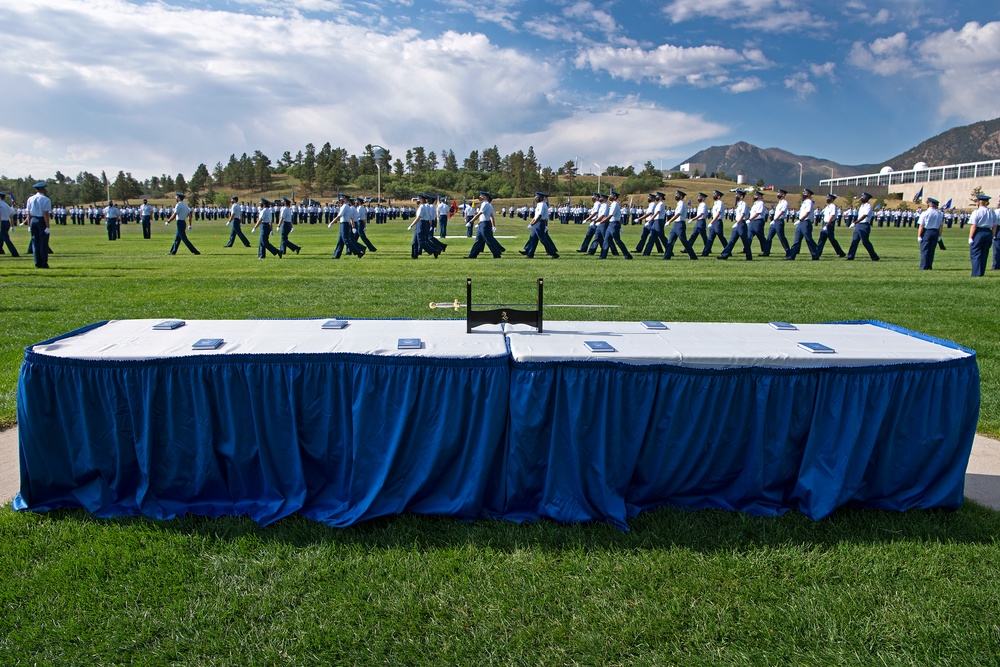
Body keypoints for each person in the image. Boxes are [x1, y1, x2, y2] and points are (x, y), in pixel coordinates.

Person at [464, 191, 504, 259]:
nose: (480, 197)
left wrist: (470, 222)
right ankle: (472, 255)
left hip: (485, 224)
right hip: (482, 224)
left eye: (481, 196)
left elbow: (479, 214)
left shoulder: (485, 204)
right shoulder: (485, 204)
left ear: (485, 197)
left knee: (489, 240)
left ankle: (497, 254)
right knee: (478, 240)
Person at [522, 191, 560, 258]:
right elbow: (535, 216)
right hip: (536, 223)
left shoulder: (542, 205)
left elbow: (539, 216)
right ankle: (530, 254)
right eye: (536, 197)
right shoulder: (539, 204)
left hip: (539, 223)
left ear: (541, 198)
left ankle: (553, 253)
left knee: (543, 239)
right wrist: (531, 223)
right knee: (533, 239)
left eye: (537, 197)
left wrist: (533, 223)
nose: (536, 199)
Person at [663, 189, 697, 260]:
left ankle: (693, 256)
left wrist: (669, 221)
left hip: (680, 224)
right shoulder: (678, 204)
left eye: (677, 195)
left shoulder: (681, 204)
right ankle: (667, 256)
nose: (676, 196)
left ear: (681, 197)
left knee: (684, 241)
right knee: (670, 240)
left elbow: (678, 214)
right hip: (676, 224)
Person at [718, 189, 752, 260]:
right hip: (737, 223)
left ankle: (749, 256)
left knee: (745, 241)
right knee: (731, 241)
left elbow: (743, 215)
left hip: (741, 224)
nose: (736, 196)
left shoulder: (744, 204)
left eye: (738, 195)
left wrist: (737, 223)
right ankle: (725, 255)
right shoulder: (739, 205)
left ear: (742, 196)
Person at [845, 191, 880, 261]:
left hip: (864, 225)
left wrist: (855, 222)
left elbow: (864, 216)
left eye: (863, 197)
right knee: (854, 241)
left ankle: (874, 256)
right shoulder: (862, 206)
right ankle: (850, 256)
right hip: (859, 225)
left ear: (867, 198)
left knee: (865, 242)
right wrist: (856, 223)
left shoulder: (868, 206)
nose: (861, 198)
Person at [330, 194, 366, 259]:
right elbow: (351, 218)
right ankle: (336, 255)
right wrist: (353, 226)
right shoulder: (348, 207)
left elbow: (339, 216)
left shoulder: (344, 207)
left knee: (346, 241)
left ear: (345, 199)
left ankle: (358, 252)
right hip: (344, 224)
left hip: (344, 224)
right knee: (340, 241)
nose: (340, 200)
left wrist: (331, 223)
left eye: (341, 199)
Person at [786, 188, 818, 260]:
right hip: (802, 222)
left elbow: (807, 212)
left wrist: (800, 219)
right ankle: (792, 256)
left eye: (805, 193)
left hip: (805, 222)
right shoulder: (804, 202)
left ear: (809, 194)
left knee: (808, 239)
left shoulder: (809, 202)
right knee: (797, 240)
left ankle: (815, 253)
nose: (804, 194)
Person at [25, 181, 52, 268]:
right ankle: (43, 263)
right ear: (43, 189)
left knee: (35, 243)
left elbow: (28, 213)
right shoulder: (46, 199)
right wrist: (47, 227)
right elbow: (46, 214)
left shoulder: (30, 199)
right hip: (41, 220)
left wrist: (29, 225)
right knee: (43, 243)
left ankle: (37, 262)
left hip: (33, 220)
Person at [969, 193, 995, 277]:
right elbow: (994, 225)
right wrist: (993, 235)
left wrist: (970, 237)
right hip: (988, 232)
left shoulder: (976, 212)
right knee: (984, 253)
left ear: (979, 202)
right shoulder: (991, 212)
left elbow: (974, 226)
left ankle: (976, 273)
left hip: (979, 232)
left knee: (976, 253)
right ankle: (981, 272)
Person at [599, 190, 631, 260]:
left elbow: (610, 216)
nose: (610, 196)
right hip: (611, 224)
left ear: (615, 197)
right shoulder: (612, 204)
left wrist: (601, 222)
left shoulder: (615, 204)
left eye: (612, 195)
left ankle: (627, 255)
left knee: (617, 241)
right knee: (606, 240)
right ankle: (602, 256)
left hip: (614, 224)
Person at [814, 193, 846, 259]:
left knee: (832, 239)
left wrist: (827, 224)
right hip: (825, 223)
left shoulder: (833, 206)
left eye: (828, 198)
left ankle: (840, 252)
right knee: (821, 239)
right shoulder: (827, 207)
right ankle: (818, 252)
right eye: (827, 198)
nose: (827, 199)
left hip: (829, 224)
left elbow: (832, 216)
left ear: (832, 199)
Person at [916, 197, 944, 270]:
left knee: (925, 250)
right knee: (932, 250)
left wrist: (919, 236)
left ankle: (923, 266)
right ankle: (929, 266)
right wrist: (939, 236)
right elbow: (941, 226)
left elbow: (921, 225)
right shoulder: (940, 214)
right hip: (935, 232)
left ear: (930, 203)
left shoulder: (925, 213)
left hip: (927, 232)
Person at [763, 189, 790, 257]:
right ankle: (766, 252)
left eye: (780, 193)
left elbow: (782, 212)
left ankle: (788, 251)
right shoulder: (779, 202)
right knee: (769, 237)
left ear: (783, 195)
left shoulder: (785, 203)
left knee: (781, 237)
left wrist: (775, 219)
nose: (778, 194)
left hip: (779, 221)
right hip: (775, 222)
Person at [703, 190, 727, 255]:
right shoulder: (715, 203)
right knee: (710, 238)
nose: (714, 196)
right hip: (714, 221)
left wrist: (711, 222)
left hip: (717, 221)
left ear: (719, 196)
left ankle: (727, 250)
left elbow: (718, 213)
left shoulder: (720, 203)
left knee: (721, 237)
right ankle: (705, 252)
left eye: (715, 194)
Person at [746, 190, 768, 255]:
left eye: (756, 195)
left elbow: (758, 213)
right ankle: (746, 249)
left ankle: (765, 250)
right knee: (749, 236)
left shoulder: (761, 203)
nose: (755, 196)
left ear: (760, 196)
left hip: (758, 221)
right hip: (753, 221)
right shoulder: (755, 203)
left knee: (760, 236)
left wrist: (750, 219)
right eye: (755, 195)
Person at [0, 192, 19, 258]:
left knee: (6, 238)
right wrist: (12, 226)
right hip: (6, 222)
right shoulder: (6, 205)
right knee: (1, 238)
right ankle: (1, 251)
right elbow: (10, 216)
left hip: (1, 222)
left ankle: (14, 252)